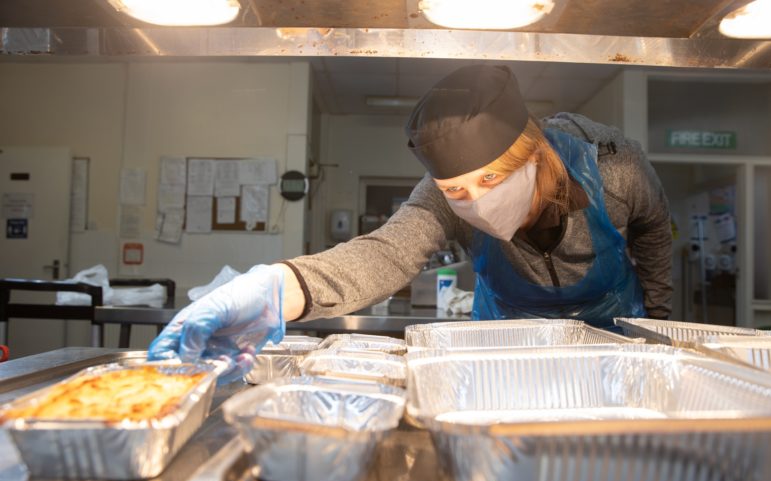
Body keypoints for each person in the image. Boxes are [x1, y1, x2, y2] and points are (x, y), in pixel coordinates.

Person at [148, 64, 672, 380]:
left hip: (612, 332)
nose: (475, 204)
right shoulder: (439, 196)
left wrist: (657, 320)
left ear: (531, 154)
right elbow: (386, 252)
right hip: (507, 340)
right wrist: (276, 288)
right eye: (457, 191)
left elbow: (653, 227)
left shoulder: (611, 164)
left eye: (490, 182)